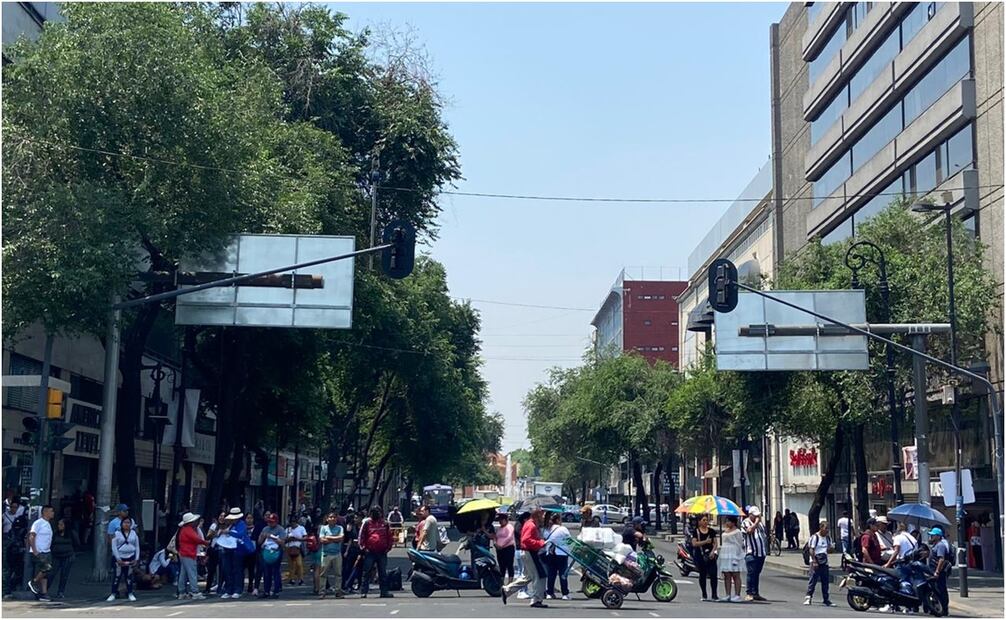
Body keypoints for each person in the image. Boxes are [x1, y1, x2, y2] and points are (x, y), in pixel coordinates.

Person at [501, 507, 547, 608]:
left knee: (528, 577)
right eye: (541, 514)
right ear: (536, 515)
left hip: (527, 552)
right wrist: (540, 543)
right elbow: (526, 540)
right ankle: (536, 599)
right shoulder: (531, 525)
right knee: (538, 576)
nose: (543, 517)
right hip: (529, 552)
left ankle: (507, 590)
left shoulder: (531, 524)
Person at [359, 506, 394, 599]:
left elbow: (390, 537)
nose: (376, 513)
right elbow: (361, 536)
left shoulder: (385, 524)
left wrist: (388, 548)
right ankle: (363, 592)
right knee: (366, 572)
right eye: (374, 511)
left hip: (382, 552)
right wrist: (363, 548)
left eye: (378, 511)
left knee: (382, 573)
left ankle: (384, 591)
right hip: (370, 552)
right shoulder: (367, 523)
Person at [107, 517, 140, 602]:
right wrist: (117, 558)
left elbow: (137, 546)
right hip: (119, 558)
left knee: (129, 576)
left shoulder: (134, 534)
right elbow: (113, 546)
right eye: (124, 522)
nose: (126, 524)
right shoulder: (116, 533)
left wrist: (136, 558)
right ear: (121, 524)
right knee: (117, 576)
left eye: (128, 522)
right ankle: (113, 593)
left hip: (130, 557)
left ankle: (130, 593)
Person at [27, 505, 55, 602]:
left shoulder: (48, 524)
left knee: (46, 574)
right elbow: (32, 536)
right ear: (45, 512)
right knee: (47, 567)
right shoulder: (38, 523)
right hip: (39, 551)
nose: (53, 513)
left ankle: (43, 593)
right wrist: (34, 550)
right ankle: (33, 582)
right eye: (51, 511)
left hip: (46, 550)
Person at [803, 520, 834, 607]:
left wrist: (830, 549)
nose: (827, 530)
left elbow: (830, 550)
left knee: (825, 581)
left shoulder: (828, 538)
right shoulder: (815, 537)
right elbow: (811, 549)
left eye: (828, 529)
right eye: (826, 528)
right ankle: (808, 597)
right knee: (813, 580)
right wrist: (814, 561)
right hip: (815, 561)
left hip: (824, 561)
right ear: (821, 528)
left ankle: (826, 599)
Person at [216, 507, 245, 599]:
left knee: (237, 570)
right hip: (228, 549)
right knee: (227, 570)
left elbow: (240, 535)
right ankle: (229, 589)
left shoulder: (241, 524)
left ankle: (238, 589)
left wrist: (229, 532)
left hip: (238, 550)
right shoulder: (230, 525)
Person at [176, 512, 206, 600]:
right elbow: (197, 539)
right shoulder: (188, 529)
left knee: (183, 573)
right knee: (192, 573)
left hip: (184, 553)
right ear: (190, 522)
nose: (195, 522)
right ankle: (195, 591)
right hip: (188, 554)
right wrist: (206, 543)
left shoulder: (184, 529)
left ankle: (182, 592)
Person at [741, 505, 768, 602]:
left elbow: (763, 535)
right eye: (755, 515)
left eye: (758, 516)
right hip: (751, 552)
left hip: (761, 553)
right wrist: (756, 523)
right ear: (750, 515)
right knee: (751, 573)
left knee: (757, 573)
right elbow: (748, 531)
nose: (757, 517)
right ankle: (749, 593)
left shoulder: (761, 525)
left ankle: (755, 592)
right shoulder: (745, 522)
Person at [543, 512, 570, 600]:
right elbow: (569, 539)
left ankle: (549, 593)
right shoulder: (563, 529)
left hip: (550, 553)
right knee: (563, 574)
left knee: (551, 574)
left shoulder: (548, 529)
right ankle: (565, 593)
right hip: (562, 553)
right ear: (558, 520)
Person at [691, 514, 719, 602]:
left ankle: (714, 594)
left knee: (713, 574)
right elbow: (694, 543)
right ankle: (704, 593)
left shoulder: (711, 531)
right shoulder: (696, 532)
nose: (705, 522)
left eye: (706, 520)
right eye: (703, 520)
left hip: (710, 556)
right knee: (702, 575)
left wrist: (713, 552)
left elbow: (715, 543)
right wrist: (705, 541)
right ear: (699, 522)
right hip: (700, 556)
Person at [258, 513, 286, 599]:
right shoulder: (265, 529)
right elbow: (259, 542)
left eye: (272, 522)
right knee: (266, 572)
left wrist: (272, 537)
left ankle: (276, 591)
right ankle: (266, 591)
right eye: (269, 522)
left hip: (276, 551)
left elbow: (282, 542)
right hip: (266, 552)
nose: (270, 524)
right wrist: (263, 537)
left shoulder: (280, 529)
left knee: (276, 572)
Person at [718, 516, 745, 603]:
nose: (727, 523)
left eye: (728, 521)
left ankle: (737, 594)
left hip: (734, 553)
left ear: (733, 522)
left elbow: (739, 544)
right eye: (726, 521)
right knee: (727, 575)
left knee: (735, 574)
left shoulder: (737, 532)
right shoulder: (725, 531)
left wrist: (736, 557)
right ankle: (727, 594)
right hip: (725, 553)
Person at [318, 512, 345, 598]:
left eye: (334, 517)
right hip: (326, 554)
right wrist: (335, 538)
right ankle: (322, 591)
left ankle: (338, 591)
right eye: (330, 517)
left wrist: (329, 537)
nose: (332, 519)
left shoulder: (340, 528)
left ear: (336, 519)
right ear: (327, 519)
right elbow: (322, 540)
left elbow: (341, 538)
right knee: (323, 574)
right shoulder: (323, 528)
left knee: (338, 574)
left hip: (337, 554)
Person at [928, 527, 951, 617]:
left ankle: (944, 609)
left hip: (939, 572)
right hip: (934, 570)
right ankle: (936, 608)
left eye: (933, 535)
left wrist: (937, 571)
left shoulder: (940, 545)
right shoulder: (935, 545)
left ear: (938, 536)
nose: (931, 536)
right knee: (935, 590)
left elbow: (941, 559)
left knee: (941, 590)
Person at [49, 518, 74, 599]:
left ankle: (60, 591)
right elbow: (51, 543)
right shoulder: (55, 534)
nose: (59, 526)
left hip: (68, 556)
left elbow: (77, 543)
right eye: (59, 524)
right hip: (57, 556)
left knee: (64, 575)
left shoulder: (71, 534)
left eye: (61, 524)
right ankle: (44, 590)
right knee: (52, 573)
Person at [203, 512, 227, 594]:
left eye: (224, 516)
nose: (222, 518)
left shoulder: (228, 526)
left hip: (223, 549)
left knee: (222, 569)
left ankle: (220, 587)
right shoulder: (214, 525)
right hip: (213, 549)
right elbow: (208, 536)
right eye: (220, 516)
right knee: (211, 570)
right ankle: (207, 588)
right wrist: (216, 533)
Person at [285, 514, 307, 586]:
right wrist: (289, 539)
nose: (293, 523)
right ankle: (291, 579)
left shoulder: (301, 528)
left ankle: (301, 579)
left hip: (298, 547)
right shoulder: (287, 529)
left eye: (294, 521)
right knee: (291, 565)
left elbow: (305, 538)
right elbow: (284, 539)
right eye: (291, 522)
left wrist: (297, 539)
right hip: (289, 548)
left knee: (299, 564)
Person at [243, 513, 261, 596]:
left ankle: (251, 585)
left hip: (253, 551)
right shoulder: (242, 528)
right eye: (247, 518)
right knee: (242, 569)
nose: (249, 520)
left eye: (251, 518)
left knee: (251, 569)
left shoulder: (256, 528)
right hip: (243, 550)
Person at [495, 514, 516, 584]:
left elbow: (509, 537)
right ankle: (501, 581)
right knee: (502, 565)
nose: (500, 521)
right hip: (499, 549)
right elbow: (496, 537)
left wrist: (502, 545)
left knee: (509, 564)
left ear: (505, 520)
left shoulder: (509, 527)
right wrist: (496, 544)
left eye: (502, 520)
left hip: (508, 548)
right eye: (499, 520)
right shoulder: (499, 528)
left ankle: (510, 581)